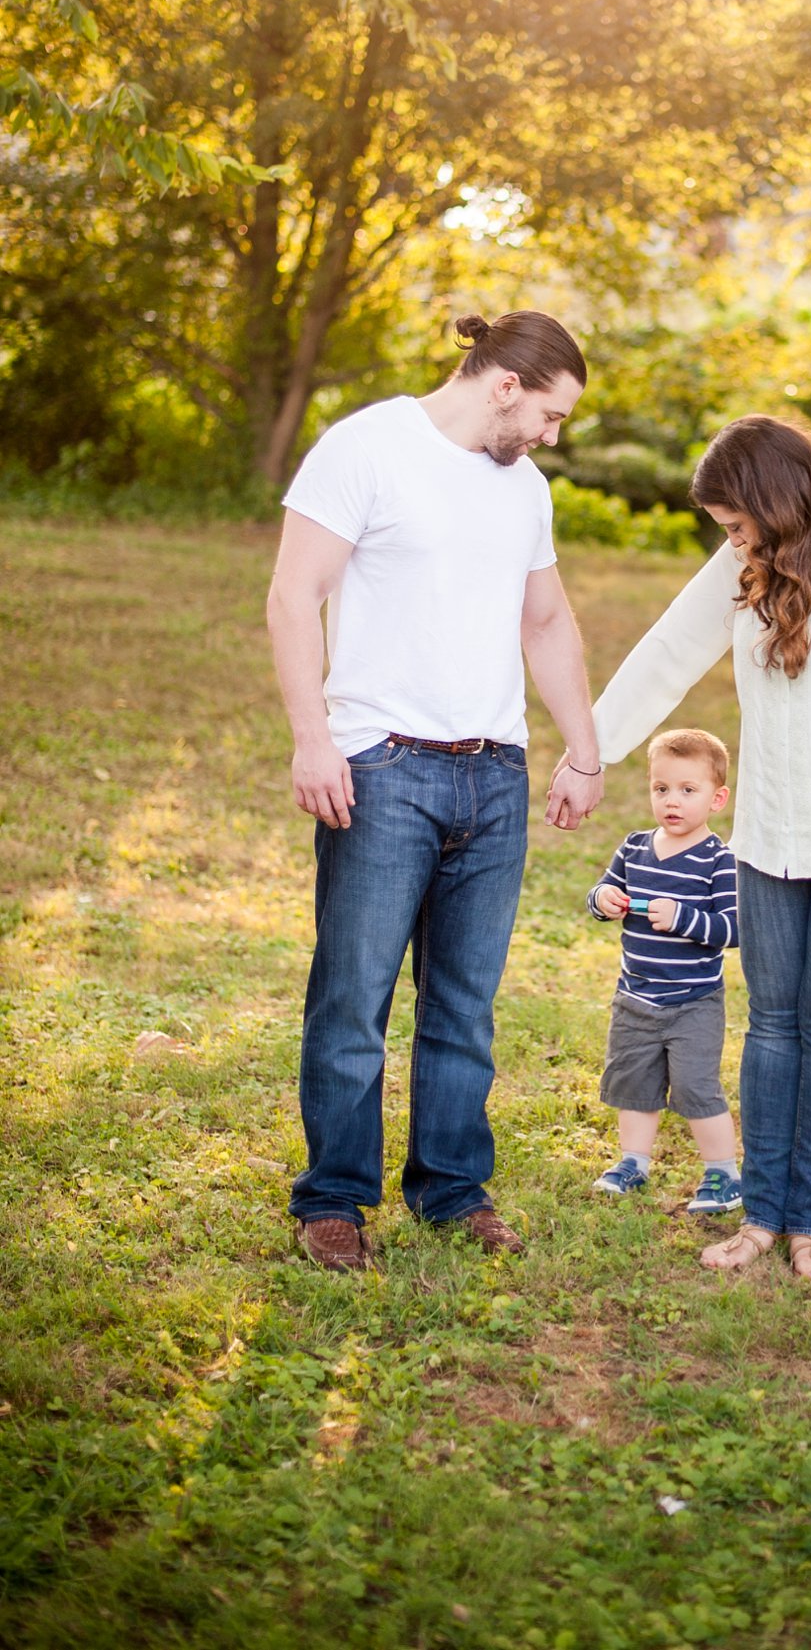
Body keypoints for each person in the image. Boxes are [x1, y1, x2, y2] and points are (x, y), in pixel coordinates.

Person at [585, 414, 811, 1284]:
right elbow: (668, 652)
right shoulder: (753, 561)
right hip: (771, 840)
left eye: (734, 522)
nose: (731, 540)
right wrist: (589, 750)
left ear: (774, 497)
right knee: (774, 1028)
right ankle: (762, 1215)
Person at [267, 310, 605, 1272]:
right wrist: (313, 738)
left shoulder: (524, 490)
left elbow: (545, 619)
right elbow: (295, 596)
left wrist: (582, 748)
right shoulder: (365, 448)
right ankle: (334, 1200)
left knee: (465, 1004)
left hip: (495, 773)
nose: (550, 436)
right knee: (353, 999)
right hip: (383, 766)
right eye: (548, 414)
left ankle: (452, 1190)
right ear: (503, 384)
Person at [587, 727, 742, 1214]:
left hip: (693, 1002)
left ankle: (723, 1174)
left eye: (687, 790)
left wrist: (685, 919)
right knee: (635, 1084)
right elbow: (603, 891)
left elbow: (734, 930)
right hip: (635, 996)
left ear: (717, 798)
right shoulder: (634, 848)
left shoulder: (719, 861)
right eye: (661, 789)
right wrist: (602, 899)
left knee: (696, 1087)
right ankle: (633, 1162)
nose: (672, 801)